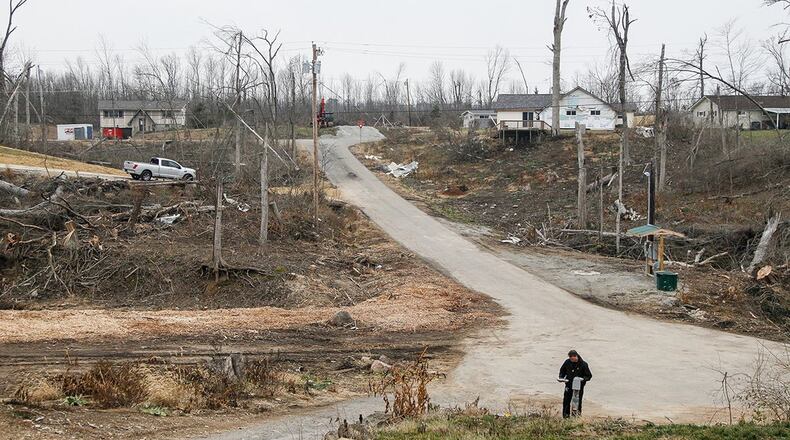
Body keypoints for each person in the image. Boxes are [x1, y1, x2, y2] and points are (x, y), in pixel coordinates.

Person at [558, 349, 592, 418]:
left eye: (572, 359)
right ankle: (565, 416)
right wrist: (561, 377)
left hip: (579, 387)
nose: (571, 360)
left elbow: (589, 376)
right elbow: (562, 371)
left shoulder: (583, 364)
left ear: (576, 356)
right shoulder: (567, 362)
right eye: (570, 359)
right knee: (566, 401)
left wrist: (582, 379)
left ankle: (577, 416)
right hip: (568, 385)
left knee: (577, 402)